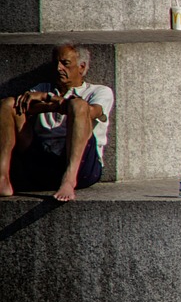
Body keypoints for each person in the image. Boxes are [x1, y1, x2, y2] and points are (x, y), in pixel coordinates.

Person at [0, 43, 114, 202]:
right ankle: (2, 177)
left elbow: (92, 112)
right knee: (8, 104)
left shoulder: (99, 92)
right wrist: (52, 101)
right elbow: (23, 108)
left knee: (79, 105)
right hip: (42, 160)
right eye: (56, 63)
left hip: (81, 165)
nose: (58, 68)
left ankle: (69, 179)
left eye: (65, 64)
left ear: (81, 67)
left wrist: (48, 99)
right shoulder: (42, 88)